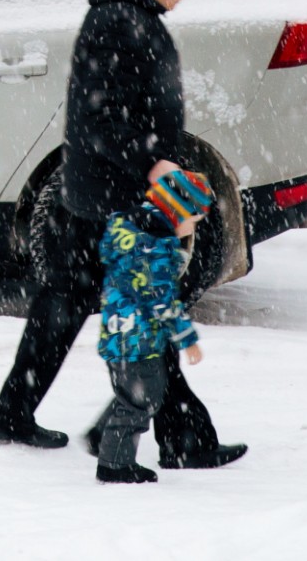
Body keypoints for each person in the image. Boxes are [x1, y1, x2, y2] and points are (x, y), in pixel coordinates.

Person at [0, 0, 246, 471]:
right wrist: (155, 163)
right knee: (140, 308)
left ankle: (19, 413)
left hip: (100, 192)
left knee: (68, 302)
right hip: (114, 197)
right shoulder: (118, 21)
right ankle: (174, 436)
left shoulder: (130, 16)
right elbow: (100, 118)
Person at [91, 169, 215, 483]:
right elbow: (163, 302)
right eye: (194, 219)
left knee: (130, 398)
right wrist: (187, 339)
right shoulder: (154, 248)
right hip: (138, 340)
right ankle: (114, 465)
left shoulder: (127, 231)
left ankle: (107, 445)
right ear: (177, 212)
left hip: (117, 334)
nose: (192, 228)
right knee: (139, 404)